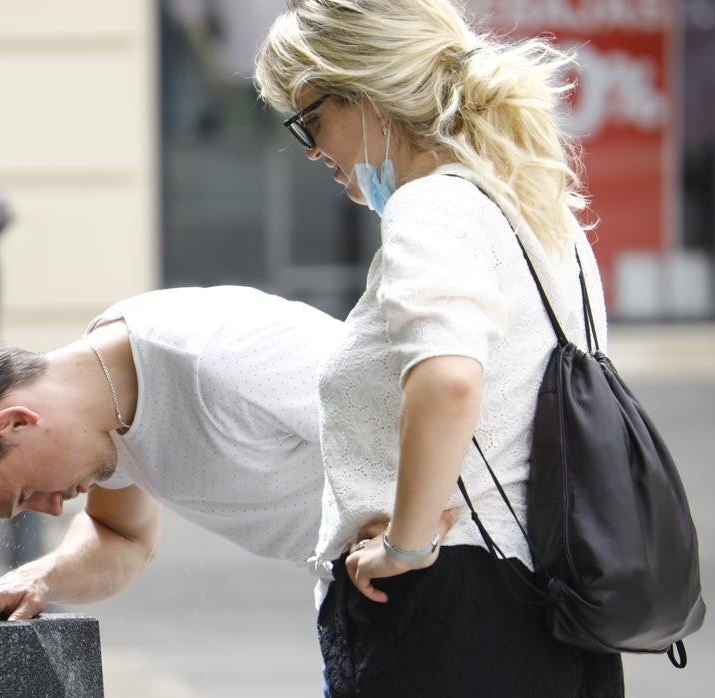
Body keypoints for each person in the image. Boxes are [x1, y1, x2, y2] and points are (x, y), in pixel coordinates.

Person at [253, 1, 623, 695]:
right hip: (553, 599)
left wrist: (407, 543)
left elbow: (450, 379)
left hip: (452, 612)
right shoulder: (533, 206)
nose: (311, 149)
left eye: (309, 119)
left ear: (366, 97)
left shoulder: (432, 208)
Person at [0, 286, 366, 622]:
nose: (53, 507)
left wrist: (405, 541)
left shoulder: (213, 355)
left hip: (428, 568)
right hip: (354, 597)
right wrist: (40, 577)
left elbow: (414, 409)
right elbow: (122, 536)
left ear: (16, 422)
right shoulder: (103, 417)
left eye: (27, 492)